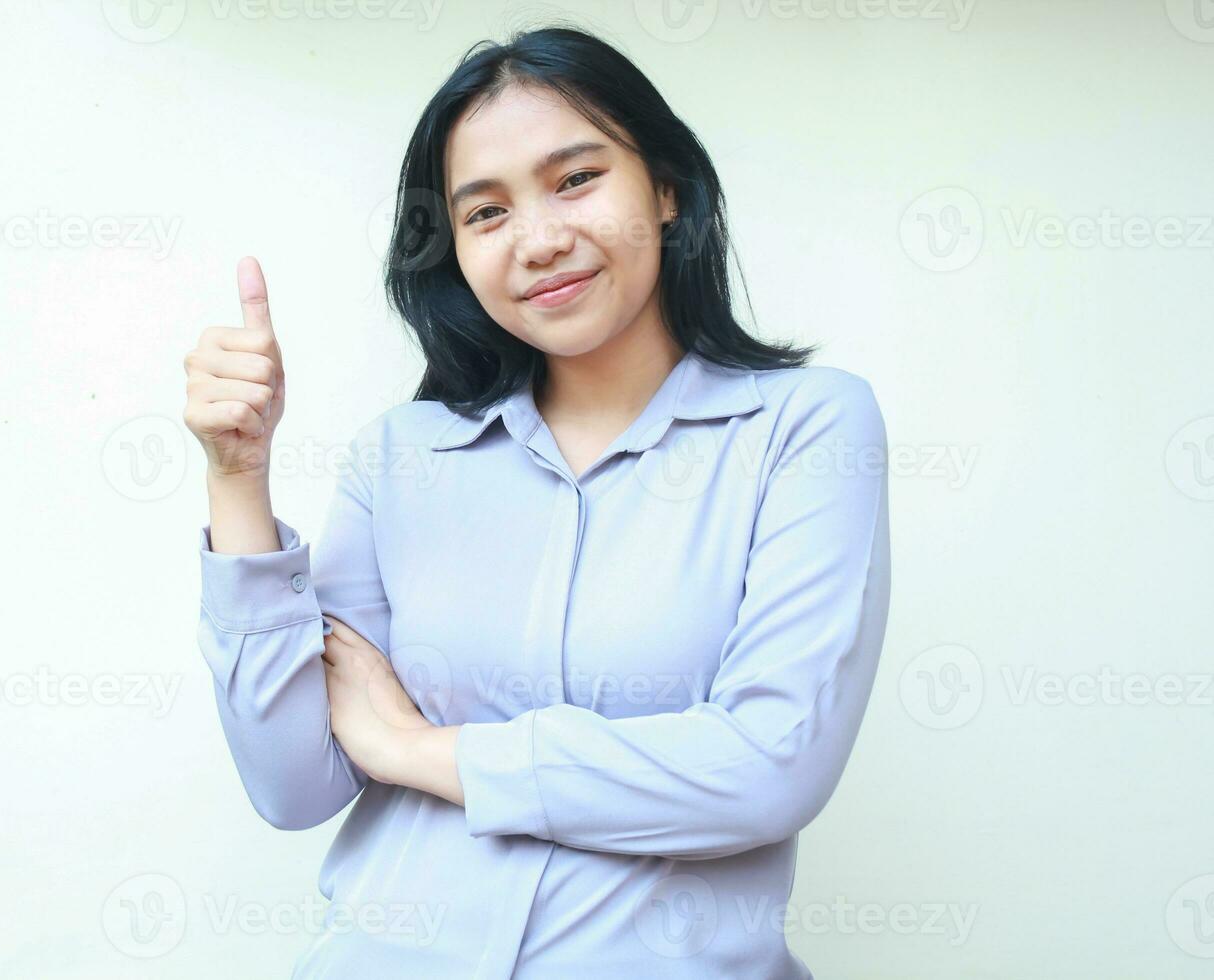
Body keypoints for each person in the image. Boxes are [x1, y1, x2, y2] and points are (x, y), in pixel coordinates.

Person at [182, 24, 891, 979]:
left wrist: (423, 749)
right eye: (485, 214)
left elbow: (765, 770)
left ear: (667, 189)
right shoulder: (402, 457)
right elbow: (295, 783)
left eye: (576, 179)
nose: (541, 240)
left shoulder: (804, 429)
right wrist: (238, 478)